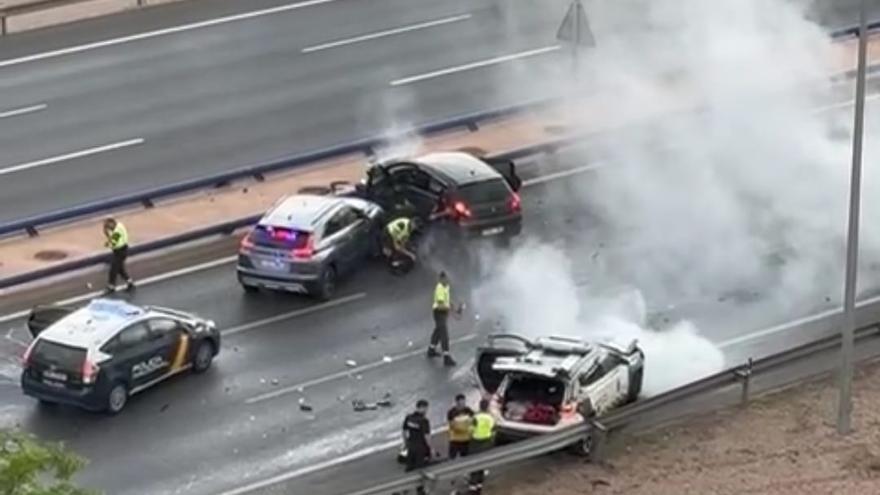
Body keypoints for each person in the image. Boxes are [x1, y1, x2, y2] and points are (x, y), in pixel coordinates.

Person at [427, 271, 456, 366]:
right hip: (439, 313)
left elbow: (446, 299)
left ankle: (431, 350)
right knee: (444, 334)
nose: (446, 280)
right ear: (440, 279)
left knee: (438, 331)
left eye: (446, 279)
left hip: (443, 313)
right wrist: (448, 308)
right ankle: (446, 357)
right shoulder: (439, 288)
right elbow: (440, 305)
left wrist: (452, 306)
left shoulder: (446, 286)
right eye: (443, 279)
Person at [467, 399, 496, 495]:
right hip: (487, 442)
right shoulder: (491, 418)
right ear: (487, 407)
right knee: (482, 465)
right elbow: (493, 431)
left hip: (476, 442)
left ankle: (472, 488)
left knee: (474, 465)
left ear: (480, 406)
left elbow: (470, 431)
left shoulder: (476, 417)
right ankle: (479, 487)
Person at [103, 218, 134, 294]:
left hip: (120, 251)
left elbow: (113, 244)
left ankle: (111, 286)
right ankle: (129, 282)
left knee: (113, 269)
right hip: (122, 250)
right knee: (120, 269)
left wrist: (107, 235)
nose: (108, 228)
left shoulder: (117, 231)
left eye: (108, 226)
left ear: (112, 223)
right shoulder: (119, 225)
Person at [402, 399, 433, 474]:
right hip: (420, 447)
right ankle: (420, 484)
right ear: (421, 408)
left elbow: (404, 431)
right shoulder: (424, 421)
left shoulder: (409, 418)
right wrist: (431, 448)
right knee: (420, 469)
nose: (426, 410)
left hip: (411, 446)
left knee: (409, 468)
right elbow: (427, 436)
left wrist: (406, 443)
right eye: (425, 408)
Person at [446, 394, 474, 459]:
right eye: (462, 402)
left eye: (464, 401)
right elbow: (451, 425)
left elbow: (473, 420)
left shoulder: (468, 410)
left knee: (466, 457)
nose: (463, 403)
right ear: (457, 402)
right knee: (452, 458)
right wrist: (462, 429)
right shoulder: (452, 412)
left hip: (465, 439)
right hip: (455, 439)